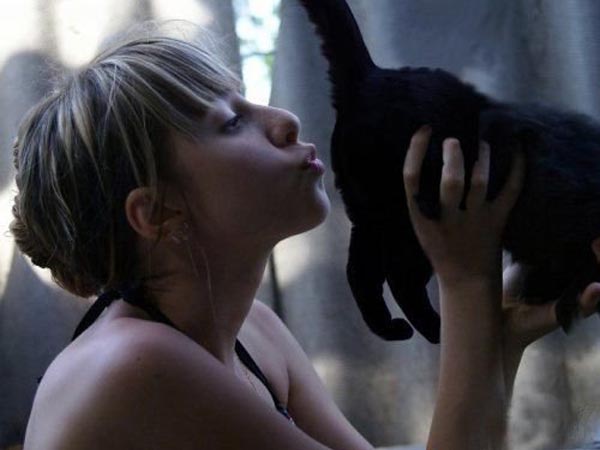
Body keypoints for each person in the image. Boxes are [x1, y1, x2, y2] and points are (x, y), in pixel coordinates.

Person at [10, 25, 600, 450]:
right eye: (232, 122)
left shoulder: (255, 332)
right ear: (157, 212)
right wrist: (466, 280)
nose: (284, 120)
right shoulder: (134, 366)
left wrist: (495, 340)